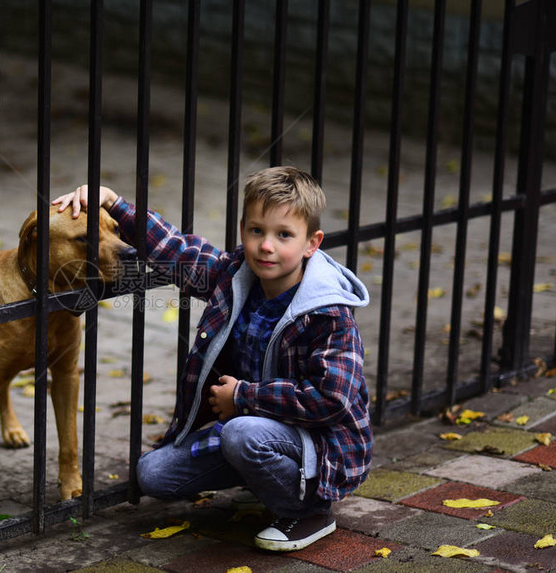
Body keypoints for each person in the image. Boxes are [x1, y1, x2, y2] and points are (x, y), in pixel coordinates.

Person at [53, 166, 372, 551]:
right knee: (153, 474)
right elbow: (178, 252)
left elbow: (331, 401)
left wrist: (244, 398)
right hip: (259, 430)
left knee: (241, 433)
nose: (266, 246)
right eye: (257, 231)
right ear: (243, 231)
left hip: (318, 446)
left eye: (283, 235)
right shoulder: (236, 276)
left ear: (311, 243)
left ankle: (309, 512)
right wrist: (115, 205)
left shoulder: (328, 313)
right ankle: (265, 480)